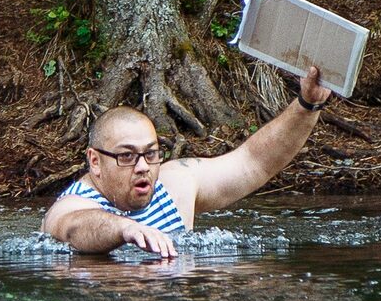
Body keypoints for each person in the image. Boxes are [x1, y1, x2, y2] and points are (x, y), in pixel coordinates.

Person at [41, 67, 333, 258]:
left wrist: (308, 105)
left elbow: (253, 162)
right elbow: (76, 228)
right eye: (127, 156)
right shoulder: (71, 206)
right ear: (95, 161)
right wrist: (125, 229)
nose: (143, 166)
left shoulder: (174, 183)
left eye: (151, 153)